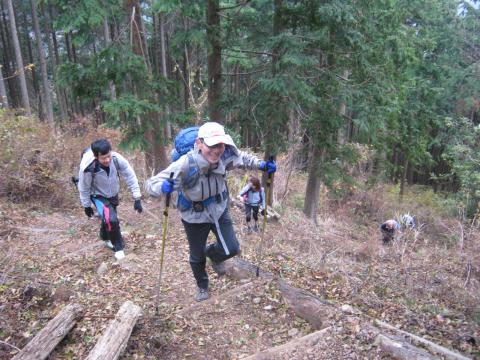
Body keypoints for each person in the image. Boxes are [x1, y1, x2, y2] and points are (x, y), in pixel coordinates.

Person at [145, 122, 277, 302]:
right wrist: (163, 186)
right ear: (199, 143)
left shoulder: (224, 157)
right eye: (212, 145)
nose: (217, 150)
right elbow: (150, 184)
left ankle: (213, 256)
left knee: (232, 248)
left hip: (219, 208)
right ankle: (202, 285)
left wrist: (261, 164)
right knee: (196, 255)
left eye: (220, 145)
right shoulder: (186, 163)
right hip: (194, 215)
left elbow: (242, 158)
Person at [78, 139, 143, 261]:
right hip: (97, 195)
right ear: (96, 157)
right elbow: (84, 187)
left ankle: (104, 236)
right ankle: (119, 248)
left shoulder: (117, 159)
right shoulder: (88, 168)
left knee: (108, 218)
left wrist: (137, 197)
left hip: (112, 193)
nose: (107, 160)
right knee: (111, 219)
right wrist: (86, 205)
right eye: (103, 158)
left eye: (108, 156)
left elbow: (130, 176)